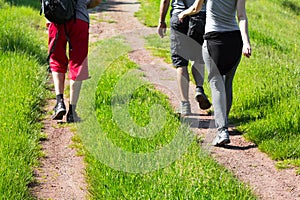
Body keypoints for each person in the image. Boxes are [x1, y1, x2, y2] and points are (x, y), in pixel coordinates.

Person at [178, 0, 251, 146]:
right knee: (227, 85)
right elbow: (241, 16)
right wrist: (246, 42)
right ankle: (224, 122)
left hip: (214, 40)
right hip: (235, 41)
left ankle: (222, 130)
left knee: (216, 85)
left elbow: (195, 8)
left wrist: (183, 13)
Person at [48, 0, 101, 123]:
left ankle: (59, 102)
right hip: (79, 19)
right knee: (78, 63)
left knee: (56, 60)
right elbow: (95, 1)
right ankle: (72, 111)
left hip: (55, 18)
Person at [157, 0, 211, 116]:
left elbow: (165, 1)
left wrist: (161, 21)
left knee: (181, 63)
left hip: (179, 17)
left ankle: (185, 104)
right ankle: (199, 88)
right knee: (198, 58)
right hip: (199, 16)